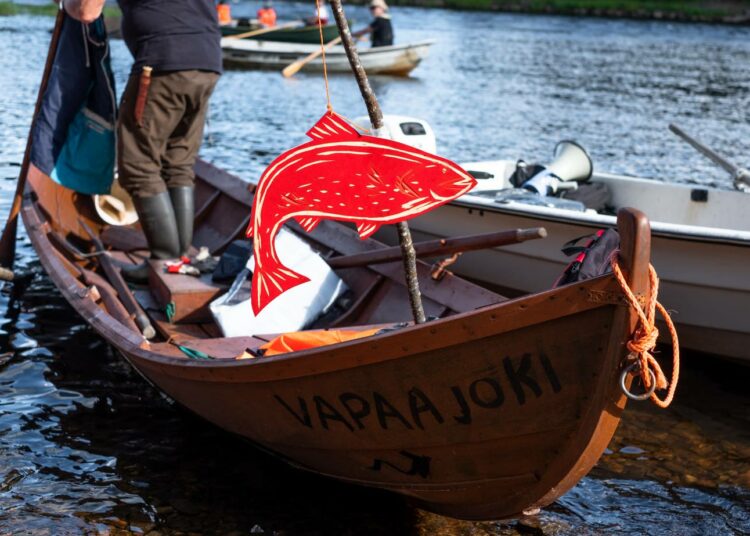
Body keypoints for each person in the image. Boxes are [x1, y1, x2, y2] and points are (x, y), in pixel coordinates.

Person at [62, 0, 222, 281]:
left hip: (162, 61)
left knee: (138, 164)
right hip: (207, 61)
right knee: (178, 161)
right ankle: (180, 255)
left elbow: (87, 11)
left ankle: (163, 259)